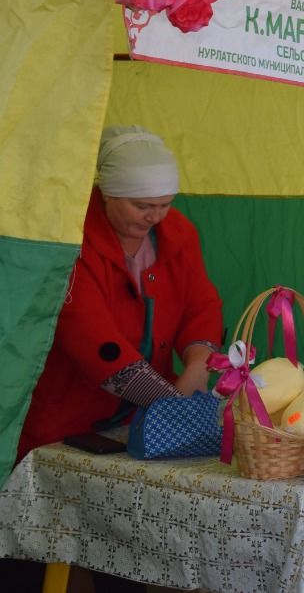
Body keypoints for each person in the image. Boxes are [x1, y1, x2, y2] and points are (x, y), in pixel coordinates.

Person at [18, 126, 223, 462]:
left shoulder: (180, 233)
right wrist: (172, 406)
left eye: (165, 204)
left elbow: (201, 306)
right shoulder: (72, 239)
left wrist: (200, 364)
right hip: (67, 422)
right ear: (108, 194)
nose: (155, 217)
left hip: (141, 419)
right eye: (142, 205)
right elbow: (88, 336)